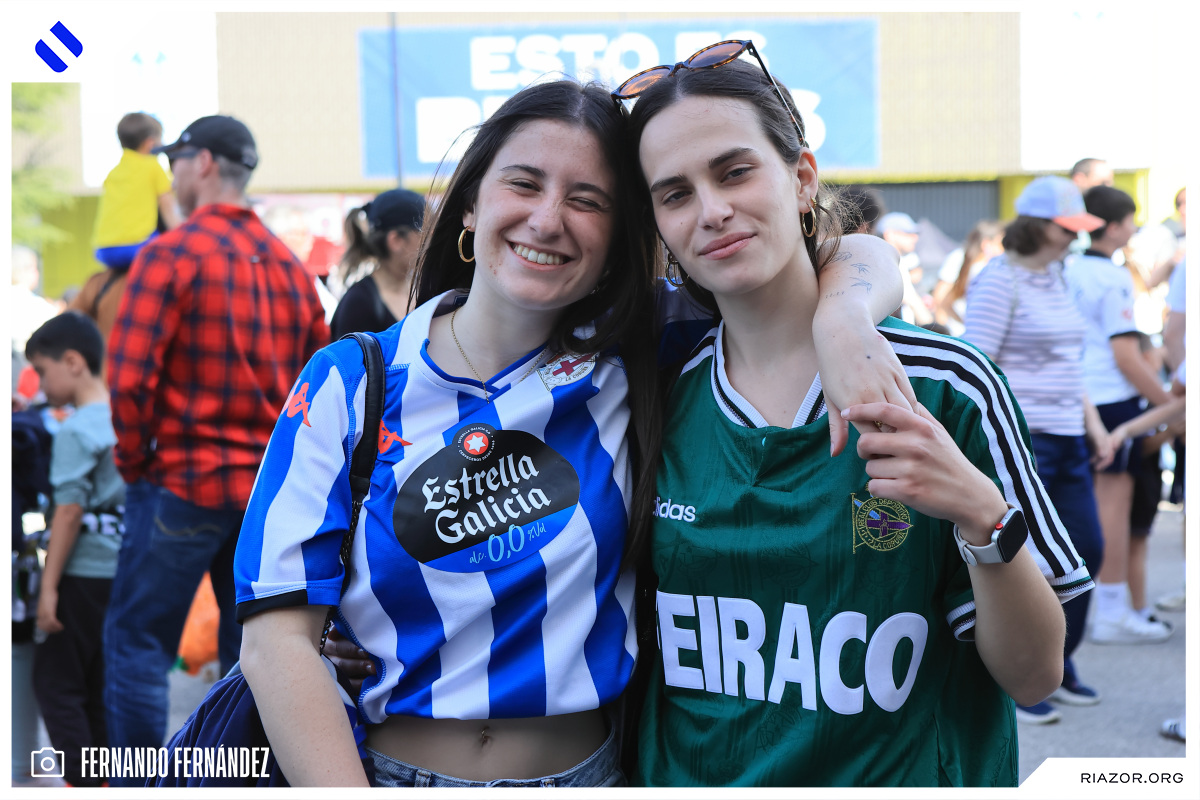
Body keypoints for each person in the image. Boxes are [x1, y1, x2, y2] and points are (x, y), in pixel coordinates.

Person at [236, 77, 911, 787]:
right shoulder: (351, 381)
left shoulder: (645, 350)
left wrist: (845, 318)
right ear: (470, 203)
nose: (548, 219)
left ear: (619, 234)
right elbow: (276, 642)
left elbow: (853, 253)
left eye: (588, 200)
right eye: (524, 184)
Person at [623, 44, 1087, 786]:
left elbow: (1034, 676)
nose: (711, 211)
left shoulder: (944, 384)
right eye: (675, 194)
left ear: (802, 178)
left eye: (735, 172)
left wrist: (983, 519)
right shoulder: (654, 390)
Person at [104, 114, 329, 779]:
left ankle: (137, 785)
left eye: (176, 160)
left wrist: (136, 466)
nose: (172, 173)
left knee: (138, 644)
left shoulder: (170, 254)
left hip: (181, 481)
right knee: (255, 657)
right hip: (264, 499)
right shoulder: (291, 269)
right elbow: (318, 387)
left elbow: (129, 379)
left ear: (201, 163)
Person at [961, 176, 1110, 725]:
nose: (1074, 238)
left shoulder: (1058, 274)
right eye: (1066, 228)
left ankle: (1058, 664)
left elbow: (1072, 364)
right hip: (1023, 439)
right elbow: (976, 365)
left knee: (1086, 550)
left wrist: (1094, 425)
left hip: (1068, 434)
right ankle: (1025, 680)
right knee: (1035, 560)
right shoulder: (999, 279)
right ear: (1038, 226)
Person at [1065, 185, 1174, 645]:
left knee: (1087, 508)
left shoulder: (1067, 268)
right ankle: (1110, 611)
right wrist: (1169, 403)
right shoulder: (1110, 277)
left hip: (1079, 397)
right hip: (1110, 399)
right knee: (1113, 509)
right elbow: (1125, 355)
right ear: (1112, 227)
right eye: (1130, 221)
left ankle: (1103, 609)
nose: (1133, 230)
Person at [26, 312, 124, 788]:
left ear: (73, 362)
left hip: (82, 572)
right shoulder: (123, 419)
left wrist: (48, 588)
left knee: (56, 682)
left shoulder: (76, 429)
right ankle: (105, 781)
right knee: (99, 681)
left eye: (42, 370)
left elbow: (67, 512)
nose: (40, 384)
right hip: (122, 569)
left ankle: (83, 784)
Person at [329, 188, 426, 339]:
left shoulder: (425, 291)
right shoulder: (359, 304)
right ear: (396, 241)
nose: (431, 240)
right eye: (425, 232)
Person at [932, 220, 1003, 336]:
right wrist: (943, 333)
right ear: (986, 244)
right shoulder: (959, 258)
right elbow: (940, 297)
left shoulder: (986, 265)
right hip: (958, 332)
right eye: (1000, 243)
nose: (1003, 249)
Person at [876, 211, 933, 326]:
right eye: (908, 233)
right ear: (890, 234)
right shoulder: (887, 263)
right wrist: (933, 330)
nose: (915, 238)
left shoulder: (894, 261)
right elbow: (911, 300)